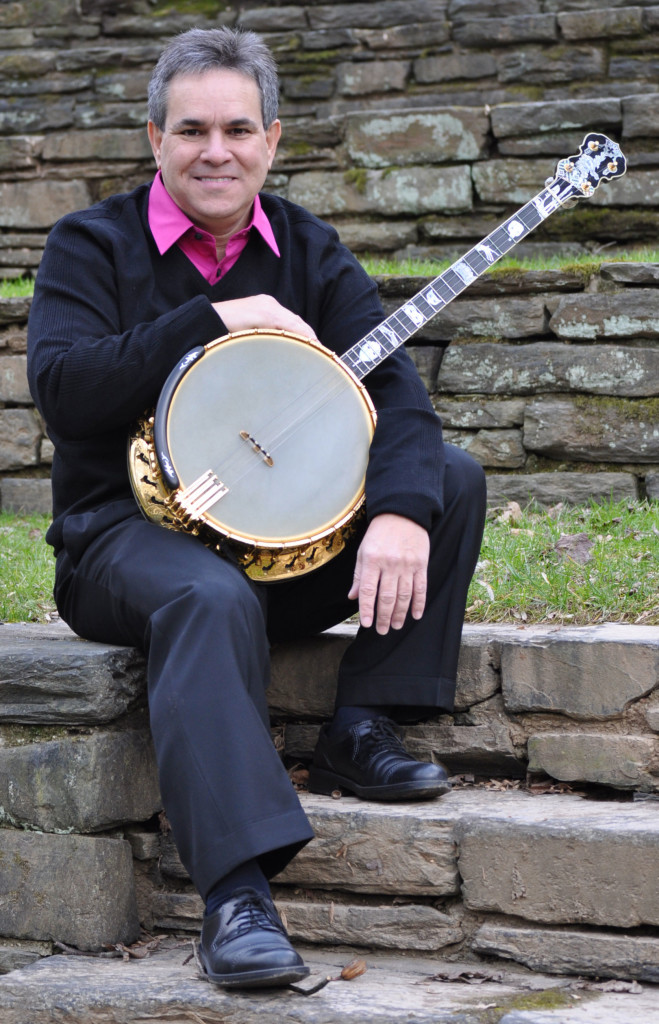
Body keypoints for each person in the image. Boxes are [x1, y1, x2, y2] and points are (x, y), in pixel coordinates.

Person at [27, 27, 486, 990]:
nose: (215, 151)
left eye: (238, 129)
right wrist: (209, 319)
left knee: (444, 477)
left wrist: (399, 512)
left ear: (271, 139)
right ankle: (234, 901)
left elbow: (396, 397)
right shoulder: (90, 244)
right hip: (127, 541)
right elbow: (65, 391)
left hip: (278, 553)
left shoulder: (308, 250)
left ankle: (360, 726)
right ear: (155, 139)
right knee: (207, 598)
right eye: (191, 129)